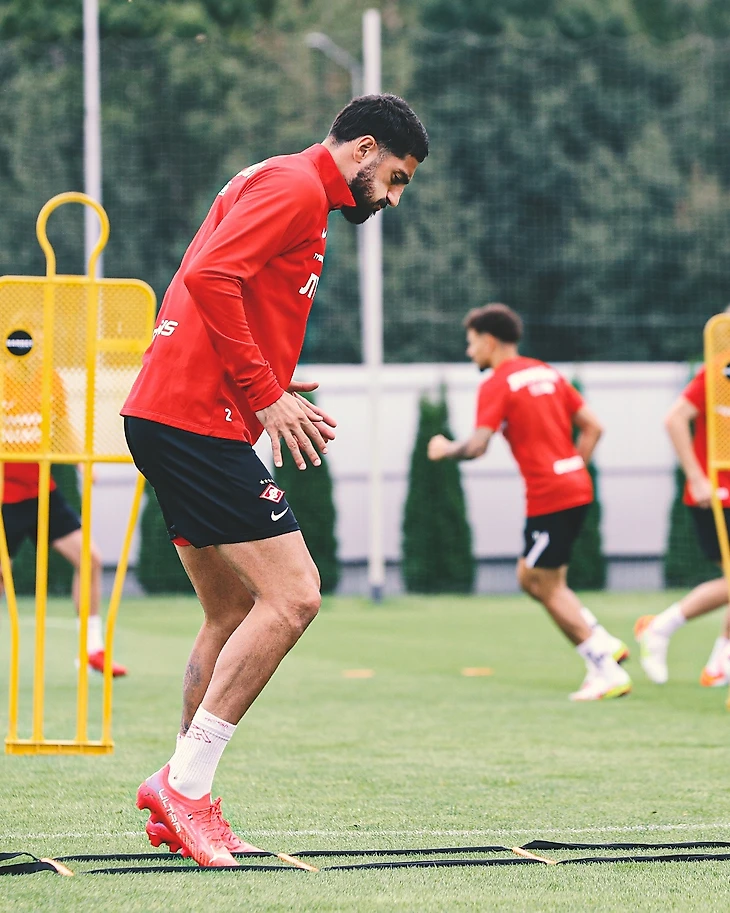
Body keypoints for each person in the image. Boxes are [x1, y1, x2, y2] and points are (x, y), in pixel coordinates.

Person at [121, 94, 428, 867]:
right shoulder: (295, 185)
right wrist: (263, 392)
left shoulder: (285, 182)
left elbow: (223, 285)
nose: (393, 198)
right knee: (295, 596)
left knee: (230, 612)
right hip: (197, 419)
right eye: (396, 178)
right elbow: (210, 276)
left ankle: (185, 800)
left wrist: (272, 377)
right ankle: (183, 786)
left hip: (175, 411)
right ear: (364, 149)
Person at [427, 303, 631, 702]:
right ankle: (603, 640)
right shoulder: (546, 372)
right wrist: (573, 467)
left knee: (543, 583)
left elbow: (477, 447)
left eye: (471, 343)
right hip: (574, 486)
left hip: (550, 495)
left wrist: (444, 448)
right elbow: (594, 427)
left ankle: (604, 667)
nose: (469, 352)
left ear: (489, 341)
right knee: (532, 577)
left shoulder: (498, 383)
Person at [0, 358, 126, 677]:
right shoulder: (2, 378)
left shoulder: (50, 378)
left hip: (42, 492)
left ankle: (91, 650)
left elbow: (62, 426)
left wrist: (81, 461)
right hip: (4, 497)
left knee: (90, 559)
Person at [634, 357, 730, 686]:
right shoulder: (721, 368)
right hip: (717, 494)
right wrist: (697, 477)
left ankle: (719, 664)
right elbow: (675, 418)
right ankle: (661, 628)